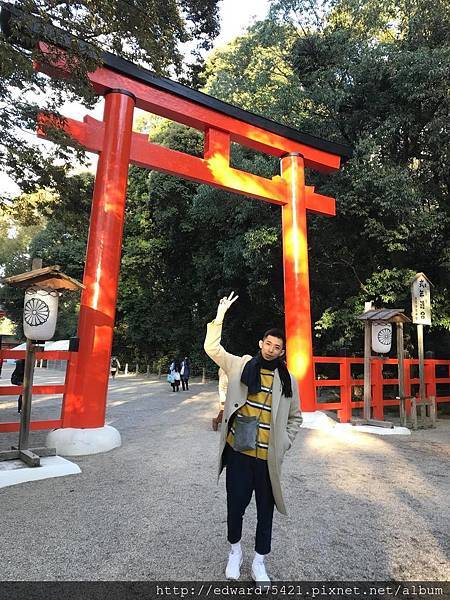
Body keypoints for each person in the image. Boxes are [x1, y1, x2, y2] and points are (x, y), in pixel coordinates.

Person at [204, 291, 302, 586]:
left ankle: (260, 561)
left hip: (268, 457)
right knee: (235, 505)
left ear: (283, 351)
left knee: (265, 512)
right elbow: (212, 348)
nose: (272, 350)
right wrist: (219, 318)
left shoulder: (288, 380)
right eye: (268, 344)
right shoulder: (240, 364)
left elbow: (296, 417)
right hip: (239, 451)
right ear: (261, 344)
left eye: (278, 347)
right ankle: (235, 551)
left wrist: (285, 441)